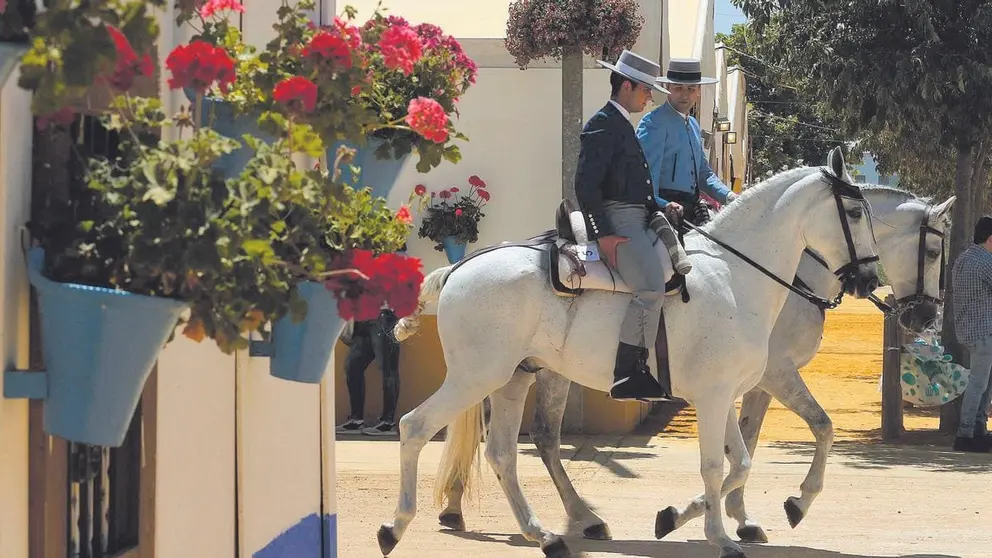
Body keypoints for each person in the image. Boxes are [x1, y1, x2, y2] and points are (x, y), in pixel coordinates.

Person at [574, 49, 686, 402]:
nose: (650, 97)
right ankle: (627, 374)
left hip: (640, 214)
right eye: (645, 90)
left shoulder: (621, 123)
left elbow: (633, 186)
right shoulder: (603, 124)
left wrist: (663, 205)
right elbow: (585, 185)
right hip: (620, 220)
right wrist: (603, 234)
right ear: (627, 86)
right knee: (651, 287)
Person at [635, 58, 738, 226]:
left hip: (692, 210)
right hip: (665, 212)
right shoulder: (654, 123)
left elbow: (704, 173)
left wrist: (728, 196)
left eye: (691, 89)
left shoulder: (694, 125)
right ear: (668, 89)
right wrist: (662, 206)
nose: (684, 95)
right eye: (678, 88)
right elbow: (644, 179)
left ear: (698, 92)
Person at [950, 215, 992, 452]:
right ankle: (965, 434)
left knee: (984, 383)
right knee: (979, 384)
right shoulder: (986, 262)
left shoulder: (963, 259)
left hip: (968, 330)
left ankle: (979, 430)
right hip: (984, 331)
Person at [335, 308, 402, 436]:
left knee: (388, 368)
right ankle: (356, 419)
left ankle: (388, 423)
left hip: (384, 316)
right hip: (362, 319)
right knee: (352, 366)